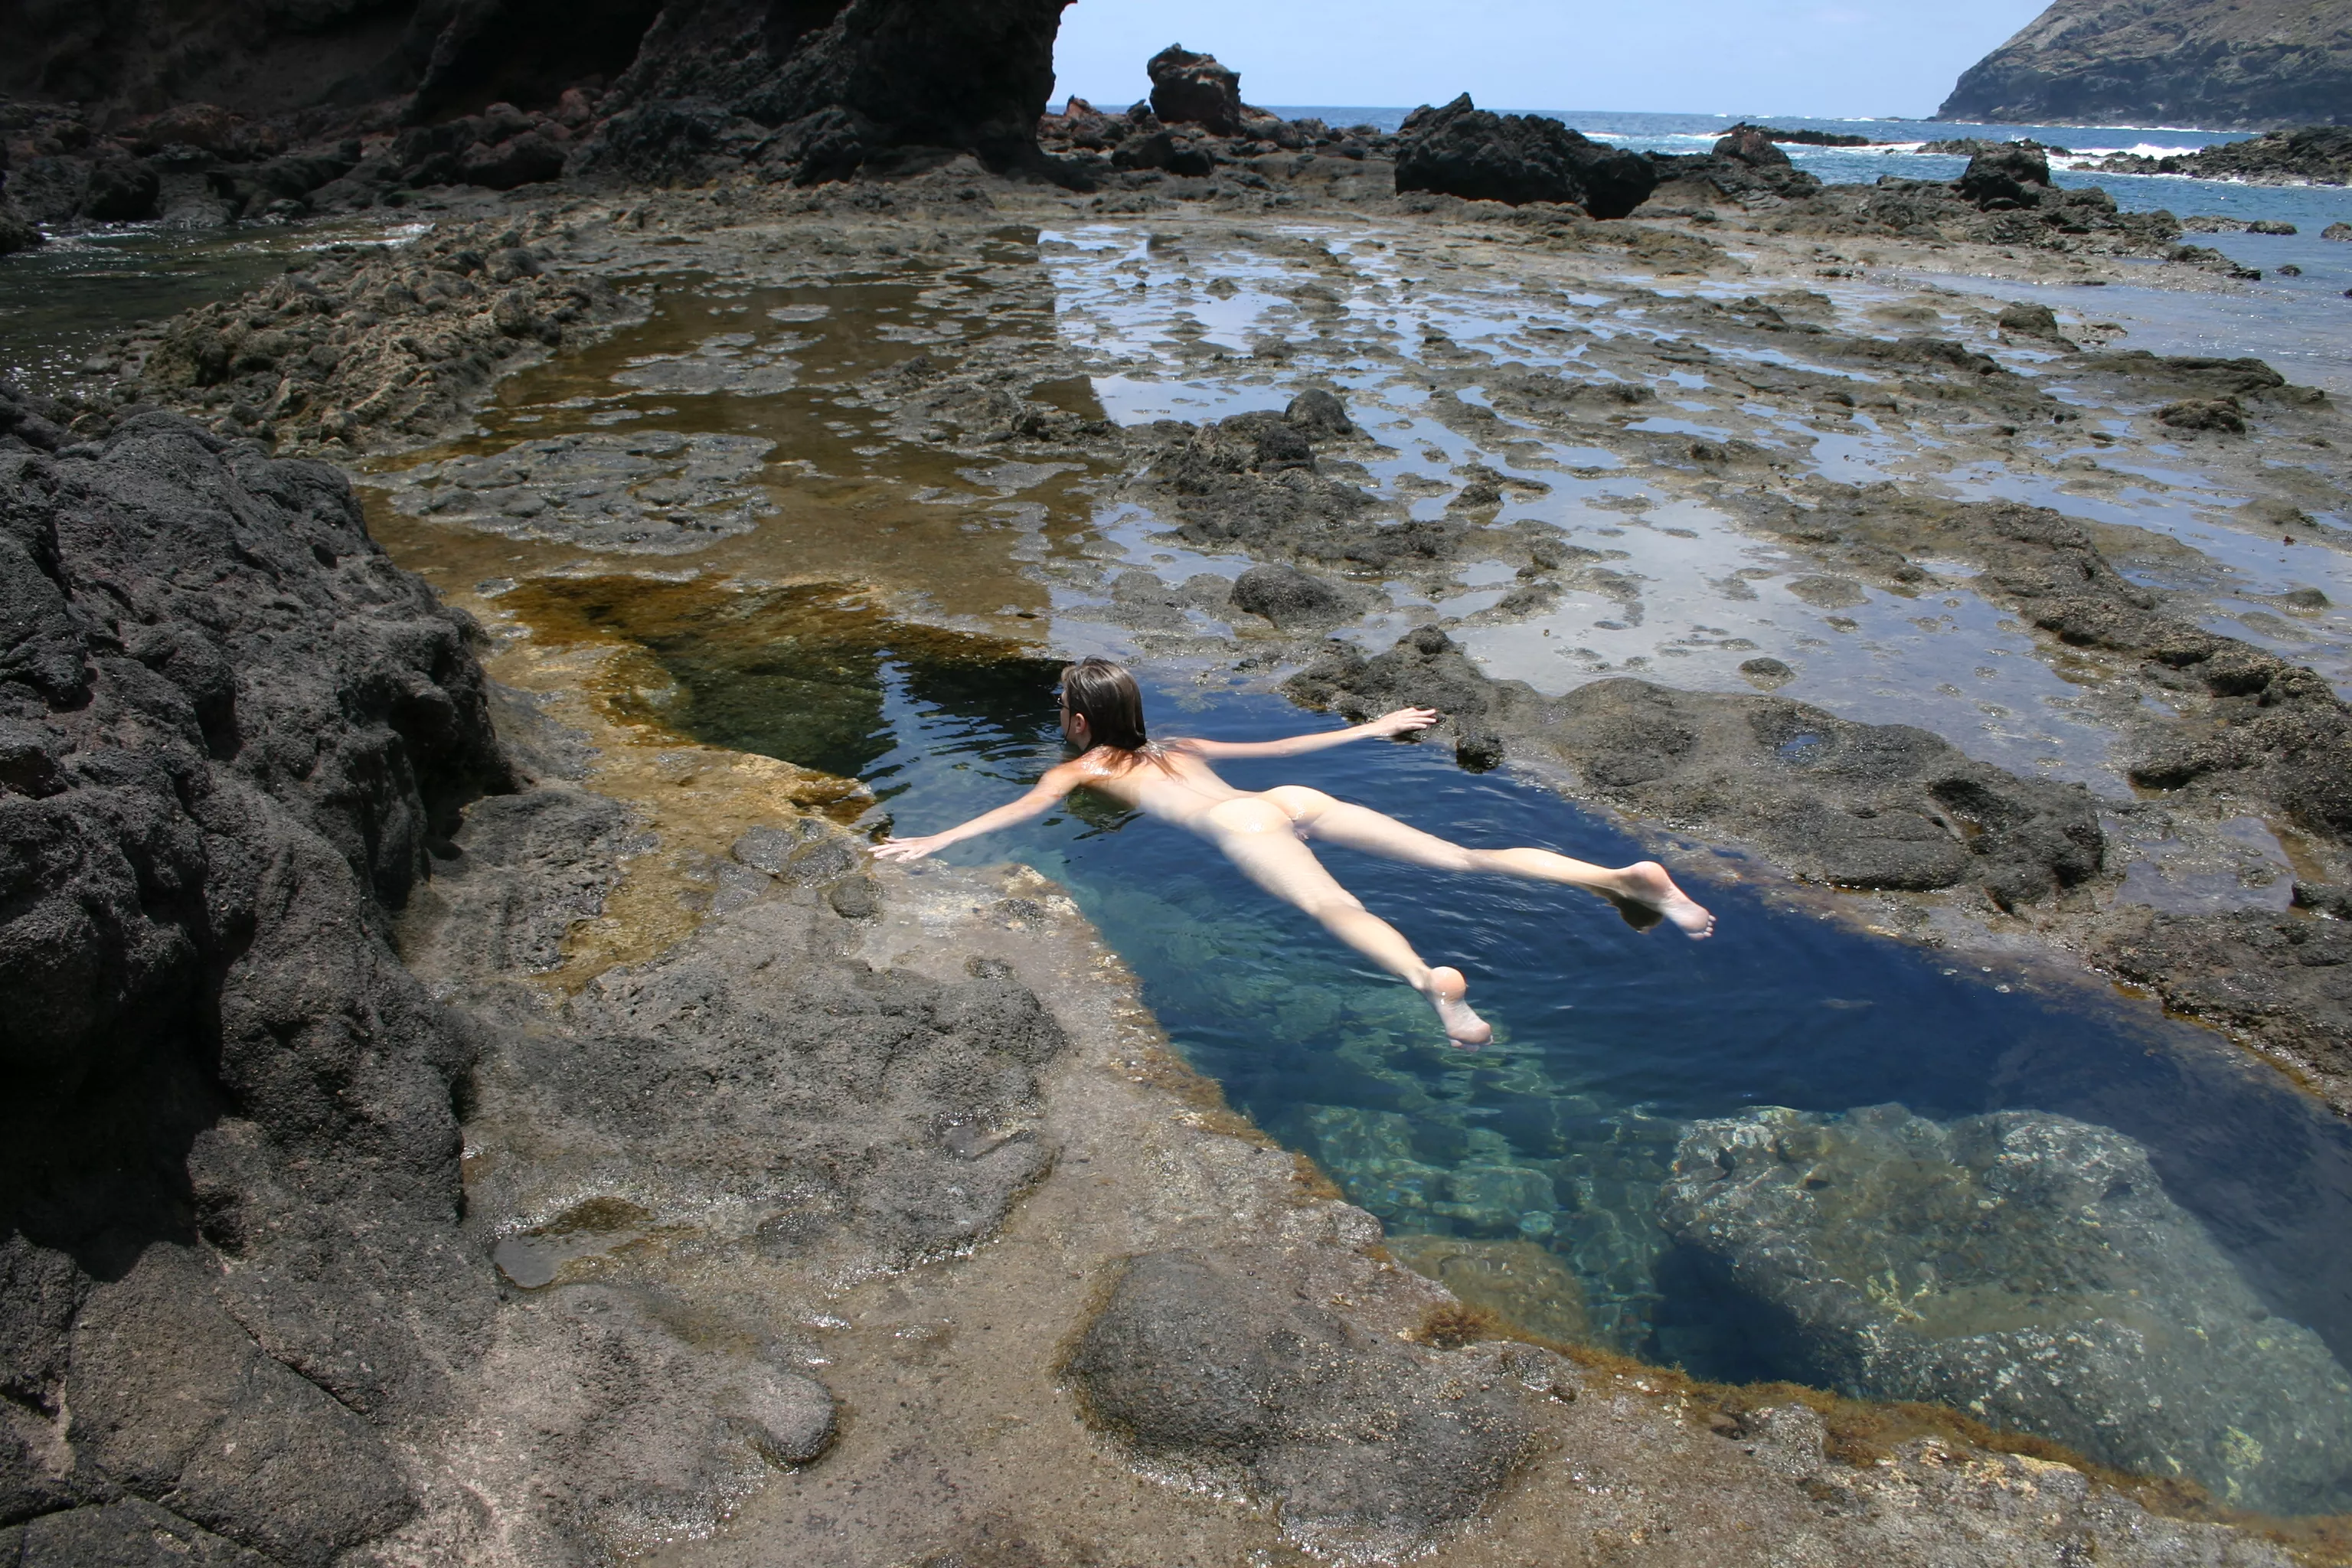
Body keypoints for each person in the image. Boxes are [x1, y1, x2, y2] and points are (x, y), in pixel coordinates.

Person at [870, 657, 1713, 1047]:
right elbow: (1281, 751)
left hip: (1246, 830)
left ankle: (1432, 984)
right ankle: (1624, 878)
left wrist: (933, 838)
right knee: (1466, 856)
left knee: (1334, 905)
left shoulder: (1082, 767)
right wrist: (1371, 728)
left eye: (1062, 706)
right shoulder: (1181, 740)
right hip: (1283, 802)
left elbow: (1017, 809)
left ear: (1080, 721)